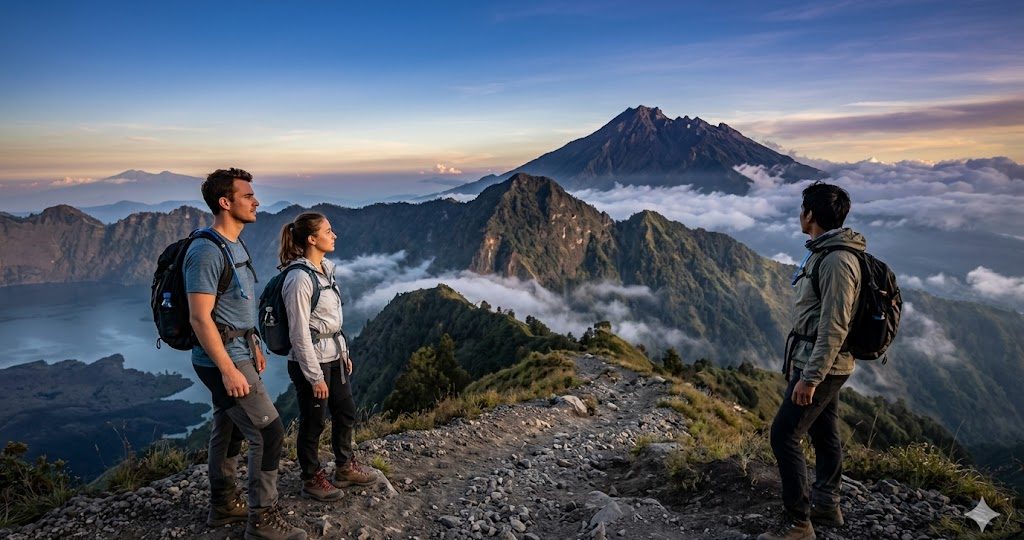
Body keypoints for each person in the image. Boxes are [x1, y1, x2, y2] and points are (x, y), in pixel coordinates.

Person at [185, 168, 306, 540]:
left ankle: (222, 506)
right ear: (226, 202)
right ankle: (262, 520)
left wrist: (253, 340)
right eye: (248, 196)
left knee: (228, 430)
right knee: (268, 434)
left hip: (240, 351)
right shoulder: (206, 251)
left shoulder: (233, 244)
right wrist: (228, 369)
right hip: (223, 359)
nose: (256, 201)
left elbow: (236, 304)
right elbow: (199, 317)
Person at [759, 182, 864, 540]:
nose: (800, 214)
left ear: (810, 215)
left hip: (821, 365)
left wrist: (810, 377)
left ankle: (799, 523)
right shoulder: (825, 252)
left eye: (803, 208)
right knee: (824, 430)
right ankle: (826, 506)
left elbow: (835, 325)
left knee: (784, 435)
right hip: (819, 362)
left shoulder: (836, 260)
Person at [278, 212, 376, 501]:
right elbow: (299, 334)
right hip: (311, 362)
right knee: (314, 421)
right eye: (328, 231)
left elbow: (332, 321)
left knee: (345, 412)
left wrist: (343, 353)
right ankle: (310, 478)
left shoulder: (326, 271)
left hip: (334, 357)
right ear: (312, 239)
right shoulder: (298, 279)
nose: (334, 235)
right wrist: (314, 376)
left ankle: (344, 467)